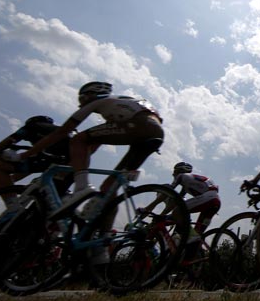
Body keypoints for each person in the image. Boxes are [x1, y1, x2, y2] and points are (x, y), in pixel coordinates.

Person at [20, 81, 164, 216]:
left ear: (91, 94)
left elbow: (63, 131)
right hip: (155, 133)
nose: (80, 103)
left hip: (140, 125)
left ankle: (81, 187)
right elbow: (92, 147)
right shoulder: (120, 107)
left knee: (77, 139)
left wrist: (25, 155)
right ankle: (103, 236)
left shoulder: (100, 101)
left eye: (81, 98)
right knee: (109, 188)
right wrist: (74, 165)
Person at [0, 115, 74, 212]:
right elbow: (28, 168)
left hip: (51, 160)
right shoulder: (57, 131)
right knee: (44, 209)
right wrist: (2, 185)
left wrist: (2, 186)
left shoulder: (31, 127)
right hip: (73, 165)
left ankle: (13, 207)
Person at [170, 162, 221, 234]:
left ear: (180, 171)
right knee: (197, 235)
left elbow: (168, 191)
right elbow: (178, 201)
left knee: (178, 211)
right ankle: (195, 241)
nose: (173, 174)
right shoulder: (188, 183)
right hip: (216, 201)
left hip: (208, 198)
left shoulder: (181, 176)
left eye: (174, 171)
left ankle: (188, 236)